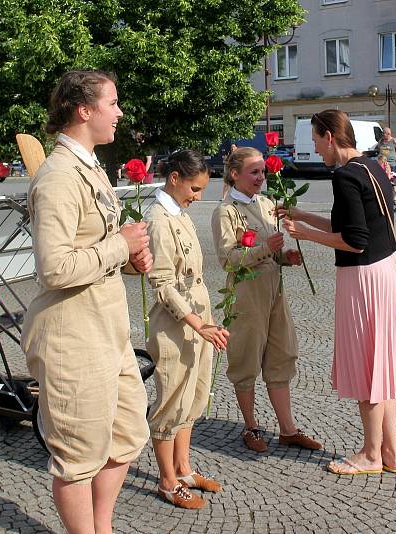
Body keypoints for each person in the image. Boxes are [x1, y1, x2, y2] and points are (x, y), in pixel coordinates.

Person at [21, 70, 153, 534]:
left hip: (107, 332)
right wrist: (119, 245)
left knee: (128, 435)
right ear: (84, 111)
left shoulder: (91, 167)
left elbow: (95, 250)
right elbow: (54, 268)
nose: (119, 112)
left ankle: (103, 527)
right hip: (71, 337)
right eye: (112, 103)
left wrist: (132, 259)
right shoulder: (58, 177)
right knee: (77, 455)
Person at [282, 110, 396, 476]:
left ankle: (369, 454)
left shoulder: (345, 176)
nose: (316, 149)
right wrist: (302, 215)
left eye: (318, 141)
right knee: (381, 364)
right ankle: (390, 454)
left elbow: (353, 239)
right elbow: (352, 221)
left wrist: (306, 235)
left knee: (368, 365)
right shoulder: (372, 167)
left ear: (330, 137)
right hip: (386, 272)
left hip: (363, 279)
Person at [211, 146, 322, 454]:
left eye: (263, 171)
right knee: (246, 359)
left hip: (274, 292)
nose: (261, 177)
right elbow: (228, 260)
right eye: (254, 172)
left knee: (281, 356)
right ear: (235, 175)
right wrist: (264, 249)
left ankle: (287, 429)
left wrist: (285, 257)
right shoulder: (226, 211)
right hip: (246, 296)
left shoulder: (266, 203)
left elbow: (271, 252)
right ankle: (251, 425)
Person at [146, 150, 229, 510]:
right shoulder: (158, 218)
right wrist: (197, 324)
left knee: (192, 399)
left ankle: (183, 469)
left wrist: (205, 323)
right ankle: (167, 481)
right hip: (175, 326)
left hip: (198, 323)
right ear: (174, 177)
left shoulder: (178, 213)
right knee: (171, 403)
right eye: (194, 189)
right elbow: (162, 283)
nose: (198, 197)